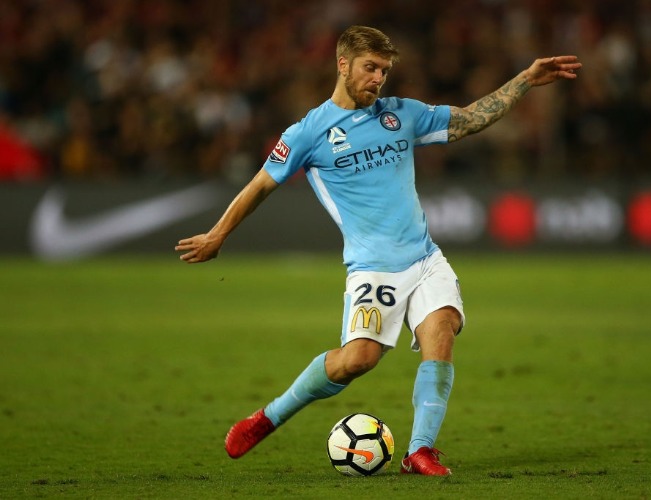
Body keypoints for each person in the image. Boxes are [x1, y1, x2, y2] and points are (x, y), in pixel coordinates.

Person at [175, 25, 580, 476]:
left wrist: (524, 78)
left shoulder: (401, 115)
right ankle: (267, 418)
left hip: (425, 259)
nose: (378, 79)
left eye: (384, 71)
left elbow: (469, 119)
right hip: (373, 270)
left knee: (442, 331)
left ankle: (419, 451)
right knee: (357, 360)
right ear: (342, 65)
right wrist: (218, 234)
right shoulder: (308, 132)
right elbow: (260, 184)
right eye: (370, 68)